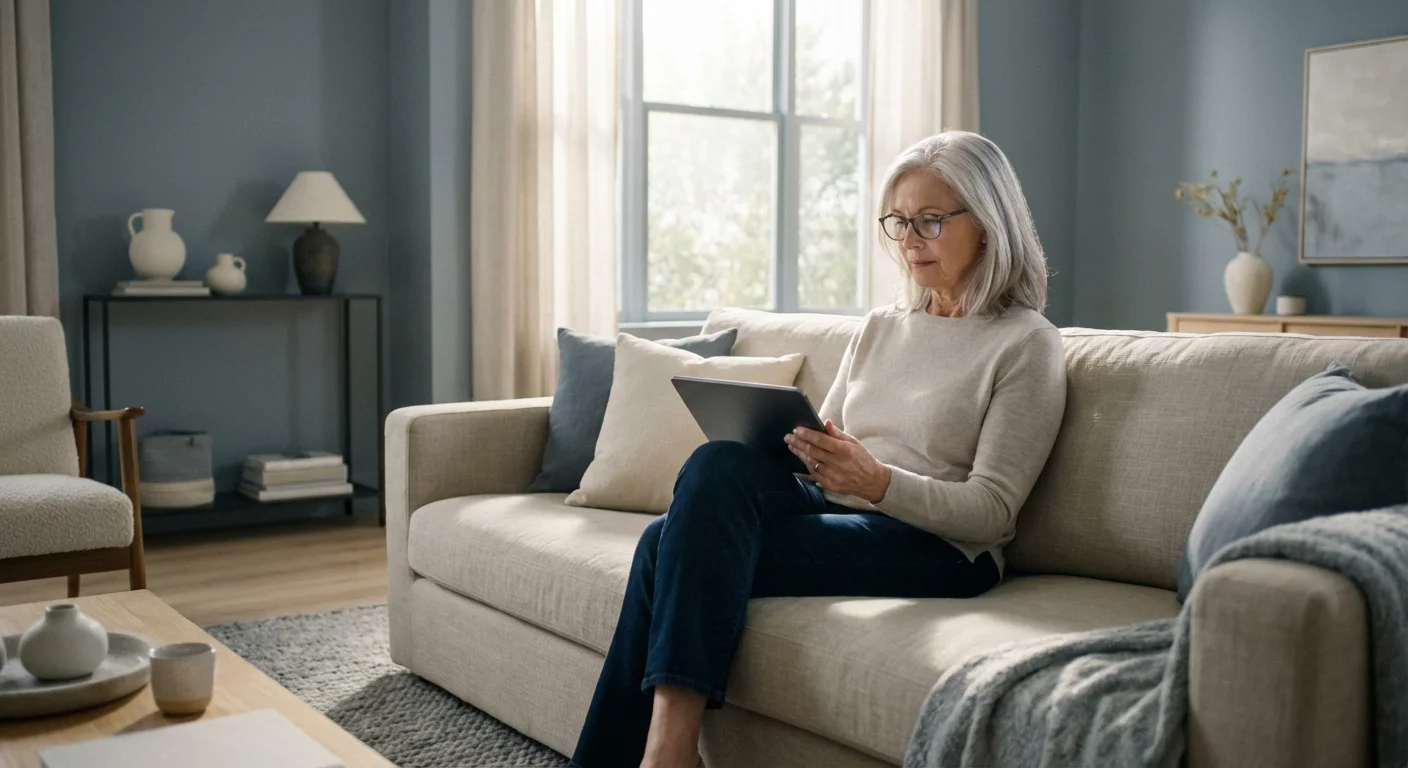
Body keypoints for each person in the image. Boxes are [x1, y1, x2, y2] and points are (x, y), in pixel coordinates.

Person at [570, 131, 1068, 768]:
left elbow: (993, 512)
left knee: (662, 545)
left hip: (942, 548)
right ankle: (668, 756)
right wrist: (809, 446)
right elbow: (828, 431)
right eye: (898, 221)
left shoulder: (1027, 344)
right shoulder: (885, 325)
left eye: (931, 220)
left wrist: (877, 481)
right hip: (840, 503)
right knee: (716, 464)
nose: (910, 238)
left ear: (991, 223)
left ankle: (665, 754)